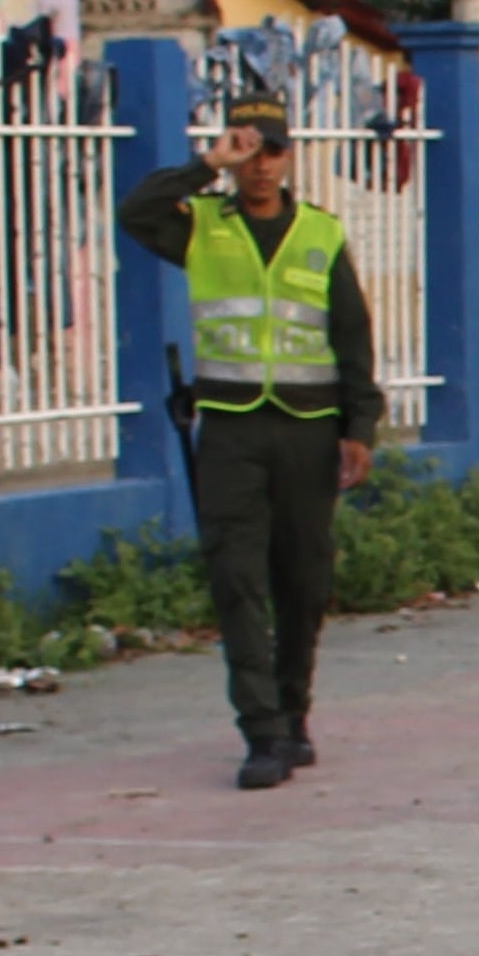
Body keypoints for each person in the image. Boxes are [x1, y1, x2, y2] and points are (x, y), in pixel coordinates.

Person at [113, 95, 379, 788]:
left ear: (289, 156)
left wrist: (360, 427)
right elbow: (135, 212)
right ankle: (261, 732)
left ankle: (293, 714)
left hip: (307, 429)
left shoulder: (319, 232)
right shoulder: (202, 225)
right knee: (235, 577)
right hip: (231, 429)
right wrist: (206, 165)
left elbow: (352, 335)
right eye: (247, 149)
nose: (260, 164)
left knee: (304, 580)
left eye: (272, 150)